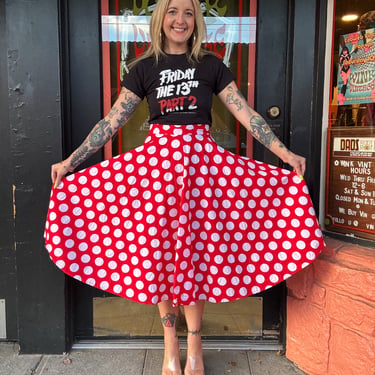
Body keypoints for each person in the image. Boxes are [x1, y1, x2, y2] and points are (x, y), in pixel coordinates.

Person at [45, 0, 325, 374]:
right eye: (174, 12)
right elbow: (112, 121)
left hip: (201, 175)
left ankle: (195, 344)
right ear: (161, 19)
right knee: (160, 257)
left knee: (194, 259)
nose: (181, 20)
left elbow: (245, 113)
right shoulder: (143, 69)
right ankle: (169, 345)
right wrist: (71, 161)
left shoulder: (211, 66)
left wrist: (284, 152)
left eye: (189, 13)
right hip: (157, 175)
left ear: (196, 21)